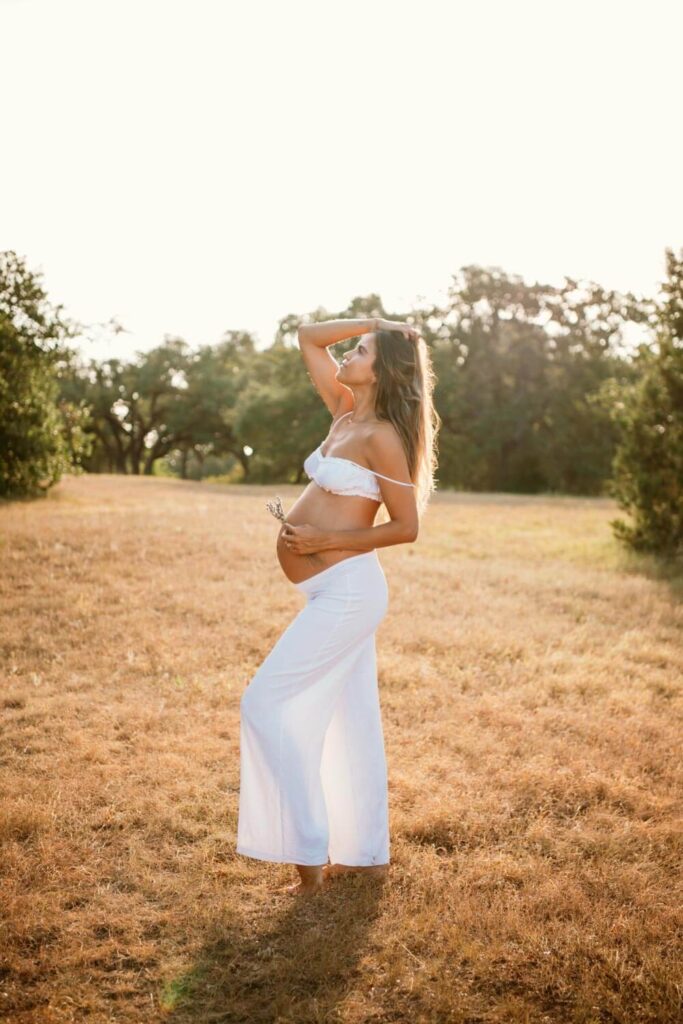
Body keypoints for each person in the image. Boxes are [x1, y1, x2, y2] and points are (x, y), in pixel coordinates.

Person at [236, 316, 440, 896]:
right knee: (352, 725)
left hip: (351, 590)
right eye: (353, 347)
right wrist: (378, 323)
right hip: (328, 588)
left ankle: (308, 857)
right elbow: (308, 335)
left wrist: (327, 541)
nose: (349, 352)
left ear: (385, 370)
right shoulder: (346, 410)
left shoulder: (384, 438)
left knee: (264, 704)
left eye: (363, 349)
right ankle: (364, 854)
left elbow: (406, 528)